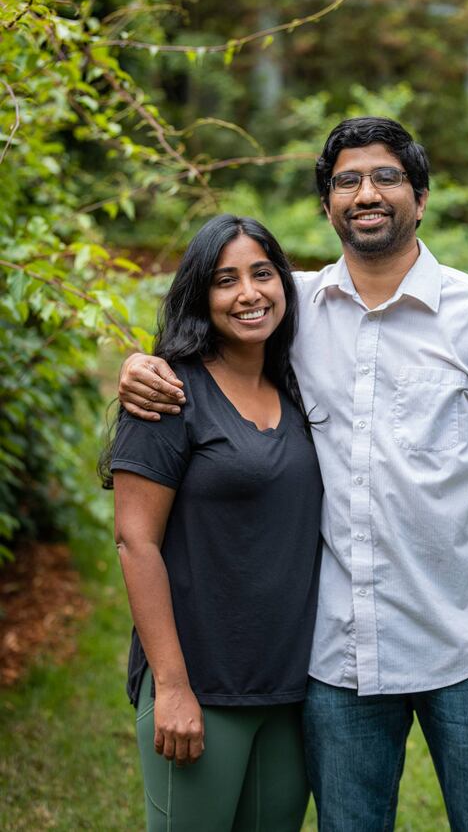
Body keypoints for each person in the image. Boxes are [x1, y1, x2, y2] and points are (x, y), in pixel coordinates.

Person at [118, 116, 468, 832]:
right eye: (347, 180)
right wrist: (137, 367)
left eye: (387, 176)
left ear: (420, 197)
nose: (367, 193)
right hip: (338, 658)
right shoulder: (296, 310)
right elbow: (207, 325)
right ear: (327, 203)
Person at [102, 215, 324, 832]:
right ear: (201, 295)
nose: (249, 293)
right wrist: (172, 686)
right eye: (226, 280)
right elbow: (134, 541)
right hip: (199, 685)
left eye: (262, 273)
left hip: (291, 686)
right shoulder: (168, 395)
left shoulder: (302, 386)